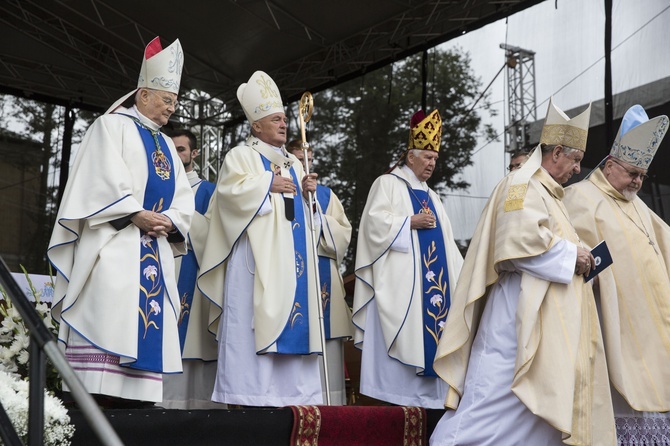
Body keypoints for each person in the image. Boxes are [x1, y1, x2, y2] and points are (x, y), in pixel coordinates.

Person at [430, 99, 616, 445]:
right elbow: (517, 243)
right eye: (575, 160)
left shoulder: (550, 194)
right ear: (556, 152)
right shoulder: (521, 184)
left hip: (544, 324)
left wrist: (581, 255)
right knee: (490, 408)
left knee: (536, 413)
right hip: (514, 323)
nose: (578, 169)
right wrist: (571, 255)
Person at [47, 37, 194, 405]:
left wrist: (170, 221)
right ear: (143, 95)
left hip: (153, 256)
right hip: (114, 248)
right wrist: (134, 212)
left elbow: (183, 198)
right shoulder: (110, 127)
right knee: (108, 321)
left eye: (174, 102)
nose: (170, 109)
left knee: (141, 387)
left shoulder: (166, 146)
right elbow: (96, 182)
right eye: (166, 100)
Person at [197, 71, 323, 406]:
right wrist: (268, 183)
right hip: (255, 262)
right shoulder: (242, 156)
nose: (284, 124)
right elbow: (229, 195)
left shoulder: (295, 163)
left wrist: (310, 197)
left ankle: (293, 398)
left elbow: (307, 223)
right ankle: (249, 397)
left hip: (292, 262)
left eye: (284, 119)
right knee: (253, 324)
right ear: (256, 126)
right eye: (275, 119)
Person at [564, 105, 670, 440]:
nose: (638, 181)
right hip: (613, 324)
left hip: (653, 325)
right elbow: (575, 256)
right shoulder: (580, 198)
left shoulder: (637, 203)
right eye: (632, 173)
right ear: (610, 166)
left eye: (642, 175)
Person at [352, 109, 464, 408]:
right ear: (410, 156)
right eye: (427, 157)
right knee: (405, 348)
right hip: (403, 292)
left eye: (435, 159)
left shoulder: (434, 198)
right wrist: (408, 223)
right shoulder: (387, 184)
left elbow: (450, 250)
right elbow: (372, 227)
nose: (432, 164)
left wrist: (466, 280)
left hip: (433, 297)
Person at [286, 139, 354, 405]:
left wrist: (315, 210)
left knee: (328, 347)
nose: (304, 164)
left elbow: (342, 237)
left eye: (308, 159)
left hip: (323, 275)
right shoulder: (281, 191)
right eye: (298, 159)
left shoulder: (326, 196)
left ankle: (333, 408)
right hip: (292, 275)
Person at [160, 128, 219, 409]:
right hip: (160, 269)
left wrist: (179, 215)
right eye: (171, 149)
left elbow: (216, 234)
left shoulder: (208, 190)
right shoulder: (159, 186)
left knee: (194, 342)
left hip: (193, 271)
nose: (175, 154)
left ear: (194, 154)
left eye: (181, 149)